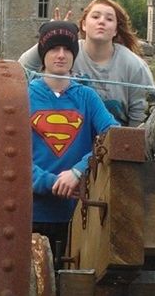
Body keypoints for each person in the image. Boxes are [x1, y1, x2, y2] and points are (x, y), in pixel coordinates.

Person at [29, 21, 118, 266]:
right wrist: (53, 183)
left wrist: (80, 171)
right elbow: (11, 155)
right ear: (42, 53)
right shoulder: (23, 96)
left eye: (67, 49)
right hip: (31, 213)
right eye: (54, 49)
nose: (61, 55)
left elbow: (114, 135)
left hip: (80, 214)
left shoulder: (87, 97)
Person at [19, 0, 155, 127]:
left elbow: (142, 116)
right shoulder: (68, 53)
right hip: (69, 130)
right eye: (95, 16)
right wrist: (53, 37)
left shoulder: (134, 65)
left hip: (115, 138)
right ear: (84, 25)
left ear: (116, 30)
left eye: (109, 19)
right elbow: (21, 72)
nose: (101, 21)